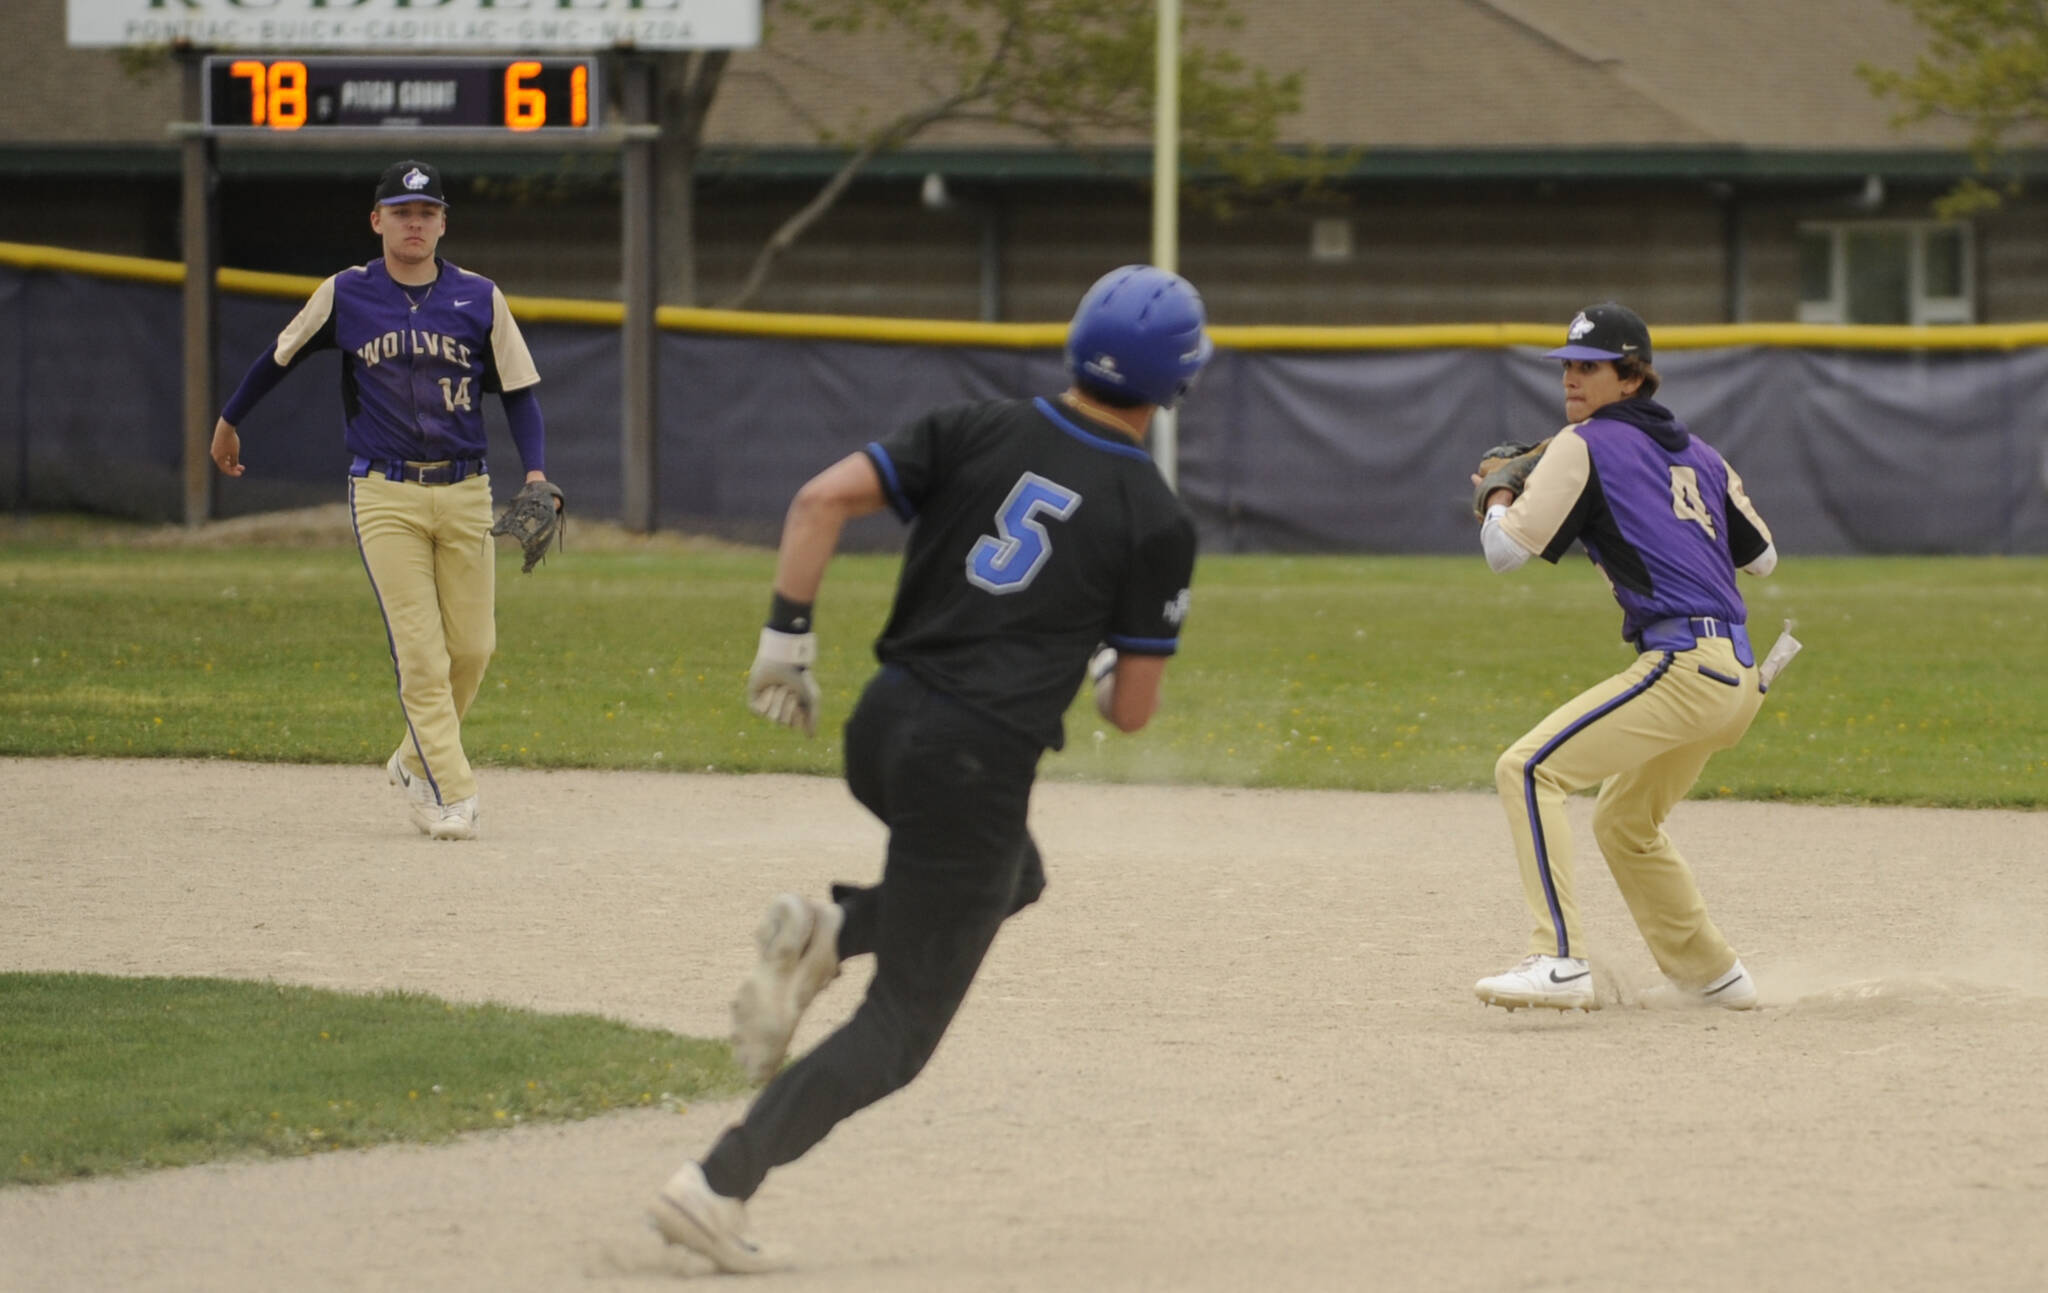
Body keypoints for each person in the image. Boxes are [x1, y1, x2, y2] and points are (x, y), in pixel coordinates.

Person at [648, 264, 1212, 1272]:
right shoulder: (1153, 515)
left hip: (882, 727)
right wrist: (1092, 653)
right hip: (971, 763)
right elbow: (1130, 713)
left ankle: (833, 928)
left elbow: (820, 499)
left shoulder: (974, 425)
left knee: (1014, 877)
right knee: (901, 1026)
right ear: (1178, 383)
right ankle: (715, 1183)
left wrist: (786, 639)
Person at [209, 160, 552, 842]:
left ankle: (409, 756)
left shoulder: (481, 297)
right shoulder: (346, 293)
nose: (414, 222)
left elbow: (518, 392)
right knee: (421, 656)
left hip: (466, 490)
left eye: (425, 212)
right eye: (401, 211)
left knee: (475, 649)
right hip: (384, 491)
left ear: (443, 221)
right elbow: (279, 356)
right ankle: (453, 790)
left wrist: (536, 474)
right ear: (378, 221)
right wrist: (229, 418)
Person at [1470, 302, 1779, 1012]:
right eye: (1569, 366)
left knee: (1528, 769)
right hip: (1737, 677)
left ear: (1633, 376)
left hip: (1681, 665)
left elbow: (1504, 553)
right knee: (1625, 823)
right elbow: (1761, 559)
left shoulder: (1583, 444)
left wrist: (1498, 493)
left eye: (1591, 367)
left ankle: (1557, 957)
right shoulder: (1703, 454)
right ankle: (1715, 976)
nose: (1573, 379)